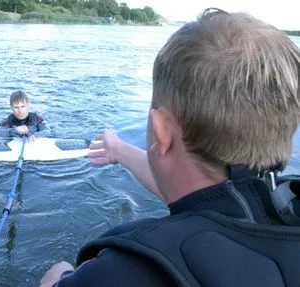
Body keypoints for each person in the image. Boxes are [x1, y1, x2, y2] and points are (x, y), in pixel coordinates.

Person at [40, 8, 300, 287]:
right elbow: (204, 193)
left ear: (161, 128)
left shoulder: (119, 274)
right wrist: (118, 151)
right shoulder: (285, 204)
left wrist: (61, 275)